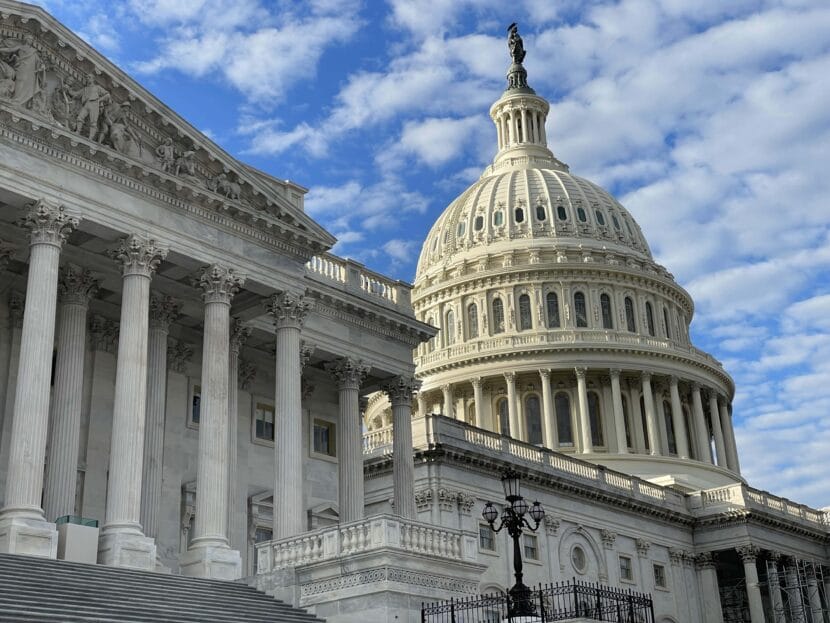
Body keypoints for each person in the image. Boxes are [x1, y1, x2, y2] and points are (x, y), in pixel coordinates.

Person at [0, 35, 42, 107]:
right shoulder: (20, 47)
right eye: (29, 39)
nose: (31, 41)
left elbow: (39, 62)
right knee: (20, 80)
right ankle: (16, 98)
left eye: (32, 40)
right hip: (21, 67)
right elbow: (10, 50)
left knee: (23, 81)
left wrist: (42, 66)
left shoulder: (33, 51)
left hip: (29, 70)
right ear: (26, 39)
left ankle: (17, 99)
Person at [68, 75, 110, 140]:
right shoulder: (85, 89)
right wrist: (68, 89)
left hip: (94, 104)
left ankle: (90, 138)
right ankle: (78, 132)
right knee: (80, 117)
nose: (87, 78)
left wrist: (99, 100)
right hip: (86, 104)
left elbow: (107, 95)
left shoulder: (97, 87)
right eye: (87, 77)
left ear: (93, 79)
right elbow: (75, 94)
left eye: (89, 77)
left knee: (93, 122)